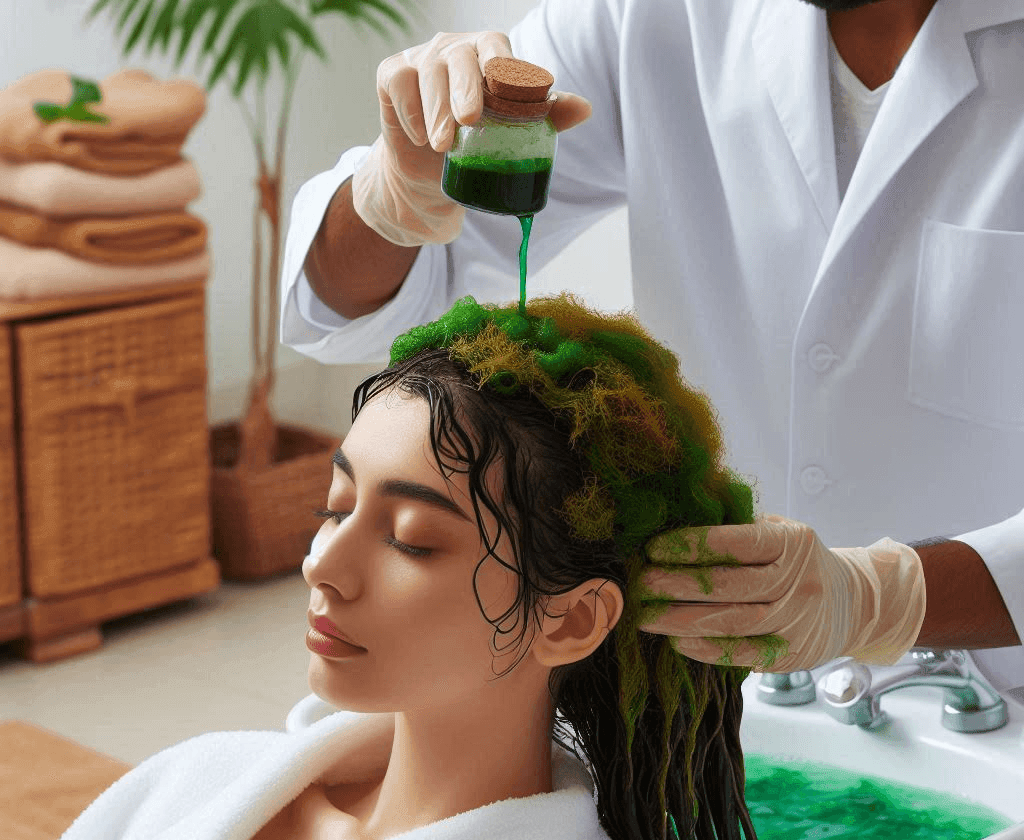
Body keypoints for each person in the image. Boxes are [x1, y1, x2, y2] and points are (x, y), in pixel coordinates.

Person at [0, 292, 769, 840]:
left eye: (411, 539)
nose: (322, 566)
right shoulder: (196, 785)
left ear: (569, 620)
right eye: (333, 509)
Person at [280, 0, 1023, 695]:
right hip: (725, 695)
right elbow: (356, 295)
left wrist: (883, 600)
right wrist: (391, 192)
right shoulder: (651, 15)